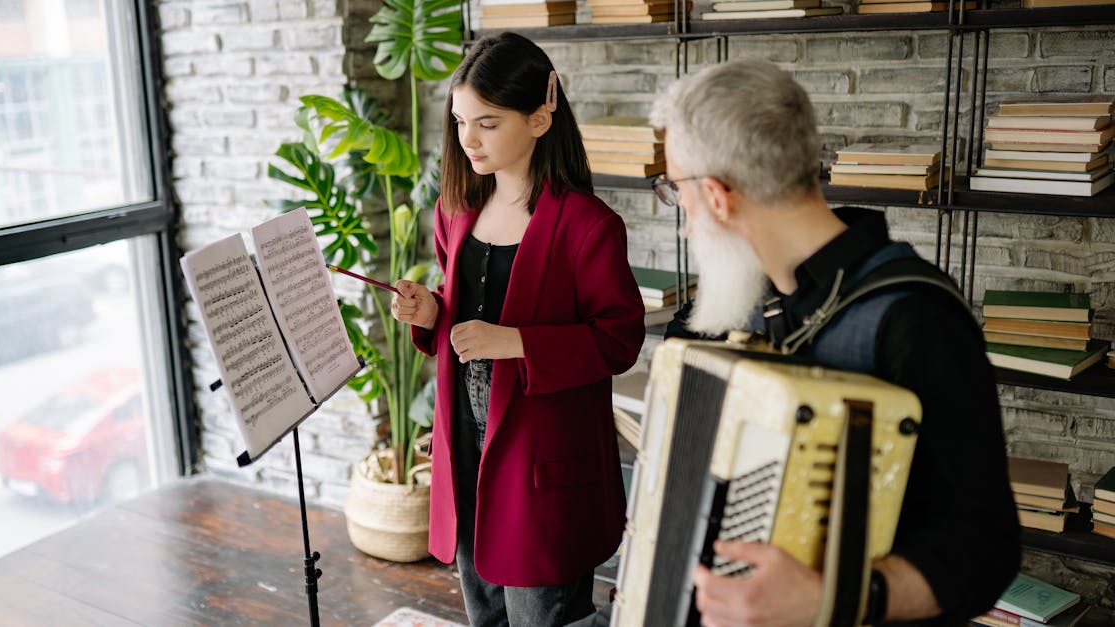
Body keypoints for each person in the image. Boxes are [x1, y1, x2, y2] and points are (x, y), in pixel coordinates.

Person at [636, 59, 1020, 627]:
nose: (683, 219)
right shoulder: (761, 302)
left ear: (717, 196)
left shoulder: (914, 318)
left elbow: (987, 551)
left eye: (676, 191)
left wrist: (832, 598)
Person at [389, 32, 646, 627]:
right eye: (459, 122)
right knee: (485, 615)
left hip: (541, 466)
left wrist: (518, 342)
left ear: (540, 115)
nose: (467, 140)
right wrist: (431, 313)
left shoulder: (588, 226)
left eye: (487, 123)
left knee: (541, 616)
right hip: (466, 452)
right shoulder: (454, 209)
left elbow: (620, 338)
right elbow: (462, 309)